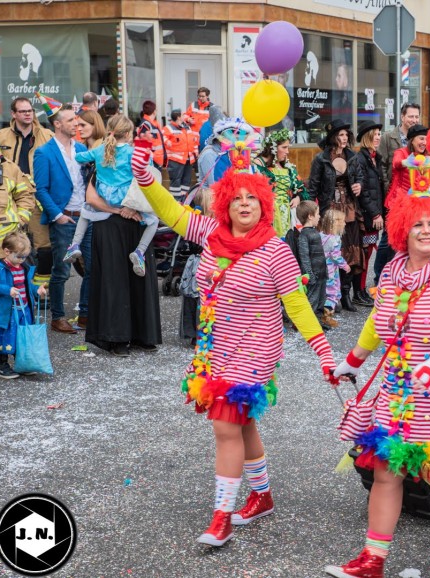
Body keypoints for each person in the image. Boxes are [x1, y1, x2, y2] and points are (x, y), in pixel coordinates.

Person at [130, 136, 337, 547]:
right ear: (225, 204)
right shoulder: (210, 233)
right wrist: (145, 176)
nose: (244, 204)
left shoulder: (276, 251)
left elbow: (296, 305)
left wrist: (325, 353)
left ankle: (221, 516)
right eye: (236, 198)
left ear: (264, 205)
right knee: (242, 424)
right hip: (215, 345)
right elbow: (172, 213)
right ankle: (261, 495)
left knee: (226, 425)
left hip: (257, 348)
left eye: (252, 199)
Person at [325, 168, 430, 578]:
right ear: (403, 230)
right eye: (417, 223)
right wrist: (352, 360)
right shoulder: (392, 272)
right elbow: (377, 323)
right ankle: (373, 559)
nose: (426, 230)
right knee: (387, 470)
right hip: (398, 389)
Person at [69, 115, 157, 278]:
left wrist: (76, 147)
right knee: (153, 221)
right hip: (127, 199)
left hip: (105, 196)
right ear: (128, 133)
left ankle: (74, 245)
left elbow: (79, 158)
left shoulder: (100, 149)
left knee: (86, 212)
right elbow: (148, 168)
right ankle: (139, 251)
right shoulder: (133, 152)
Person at [32, 103, 92, 335]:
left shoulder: (81, 149)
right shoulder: (44, 152)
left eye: (76, 120)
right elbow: (41, 189)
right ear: (57, 124)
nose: (76, 124)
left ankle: (85, 314)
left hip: (86, 216)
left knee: (92, 267)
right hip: (64, 219)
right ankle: (57, 317)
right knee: (62, 270)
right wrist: (57, 216)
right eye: (70, 121)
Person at [0, 97, 54, 286]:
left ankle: (40, 289)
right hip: (9, 202)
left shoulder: (46, 135)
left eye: (30, 110)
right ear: (13, 114)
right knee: (10, 247)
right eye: (23, 111)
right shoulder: (1, 137)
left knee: (43, 247)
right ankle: (14, 287)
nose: (28, 114)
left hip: (38, 199)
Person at [308, 120, 364, 313]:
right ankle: (330, 295)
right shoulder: (321, 159)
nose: (344, 138)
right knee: (331, 251)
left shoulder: (352, 157)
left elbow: (359, 177)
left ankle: (346, 293)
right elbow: (313, 186)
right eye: (340, 135)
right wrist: (311, 214)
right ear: (332, 138)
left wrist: (359, 185)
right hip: (329, 209)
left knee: (350, 250)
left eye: (346, 135)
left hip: (349, 208)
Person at [375, 123, 428, 285]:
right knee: (388, 242)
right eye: (421, 138)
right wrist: (410, 162)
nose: (424, 142)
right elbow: (397, 163)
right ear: (412, 140)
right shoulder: (402, 152)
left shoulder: (427, 156)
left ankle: (402, 277)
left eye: (426, 139)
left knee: (407, 242)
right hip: (396, 204)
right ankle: (379, 278)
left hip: (416, 205)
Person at [0, 232, 48, 379]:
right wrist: (7, 290)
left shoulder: (24, 267)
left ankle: (22, 363)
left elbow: (28, 287)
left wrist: (38, 290)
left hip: (24, 309)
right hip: (7, 311)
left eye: (24, 256)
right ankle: (2, 365)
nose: (21, 260)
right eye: (18, 256)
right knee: (5, 337)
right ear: (6, 251)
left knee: (22, 337)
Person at [348, 120, 384, 306]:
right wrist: (376, 214)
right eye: (375, 134)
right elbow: (364, 193)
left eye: (379, 134)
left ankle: (360, 291)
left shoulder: (375, 158)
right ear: (367, 137)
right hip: (365, 216)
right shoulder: (359, 159)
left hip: (372, 215)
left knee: (367, 253)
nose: (378, 137)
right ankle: (358, 292)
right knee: (362, 255)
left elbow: (377, 188)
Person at [255, 128, 308, 238]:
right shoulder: (259, 166)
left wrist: (298, 198)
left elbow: (302, 189)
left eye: (288, 147)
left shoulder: (288, 168)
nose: (287, 151)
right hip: (269, 214)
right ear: (273, 148)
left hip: (287, 213)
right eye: (284, 147)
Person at [180, 187, 212, 345]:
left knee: (210, 299)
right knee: (196, 298)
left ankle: (209, 331)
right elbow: (193, 245)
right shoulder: (196, 222)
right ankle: (195, 332)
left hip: (211, 263)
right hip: (199, 263)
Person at [296, 200, 329, 323]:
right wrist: (309, 274)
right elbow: (304, 257)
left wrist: (325, 271)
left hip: (321, 273)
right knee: (312, 300)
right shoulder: (304, 235)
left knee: (321, 299)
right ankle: (308, 323)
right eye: (317, 214)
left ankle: (319, 321)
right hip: (313, 275)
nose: (319, 216)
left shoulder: (315, 231)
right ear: (310, 216)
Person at [376, 102, 420, 186]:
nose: (414, 120)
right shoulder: (387, 137)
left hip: (416, 189)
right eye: (411, 117)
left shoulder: (421, 139)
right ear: (402, 117)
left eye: (417, 117)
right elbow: (381, 164)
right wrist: (387, 185)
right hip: (395, 189)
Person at [319, 208, 349, 327]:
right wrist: (345, 265)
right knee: (332, 292)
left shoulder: (321, 235)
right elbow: (336, 256)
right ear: (335, 224)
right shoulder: (334, 240)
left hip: (322, 268)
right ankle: (326, 317)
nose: (345, 224)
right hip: (331, 270)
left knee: (324, 291)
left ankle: (323, 313)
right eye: (343, 222)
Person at [163, 109, 198, 200]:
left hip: (188, 159)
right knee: (176, 181)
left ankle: (183, 199)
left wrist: (195, 152)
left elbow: (192, 140)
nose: (184, 116)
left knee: (186, 181)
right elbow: (162, 137)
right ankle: (176, 200)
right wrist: (167, 142)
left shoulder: (186, 127)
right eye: (183, 115)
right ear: (178, 117)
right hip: (176, 160)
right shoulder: (168, 128)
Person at [137, 100, 166, 170]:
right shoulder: (146, 125)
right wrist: (152, 156)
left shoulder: (153, 124)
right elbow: (143, 144)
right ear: (154, 111)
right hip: (152, 160)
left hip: (157, 159)